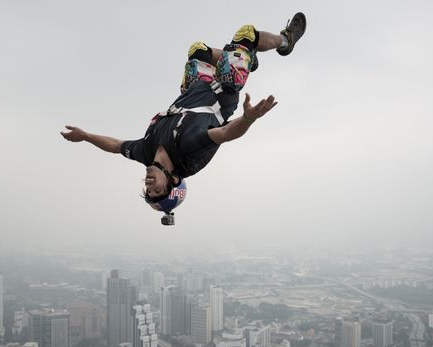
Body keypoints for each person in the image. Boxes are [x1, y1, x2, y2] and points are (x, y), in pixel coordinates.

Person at [61, 13, 307, 225]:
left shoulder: (145, 152)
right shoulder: (187, 153)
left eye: (147, 190)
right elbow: (224, 134)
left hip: (194, 89)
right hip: (224, 89)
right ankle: (285, 40)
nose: (149, 185)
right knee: (246, 34)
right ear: (173, 181)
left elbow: (115, 146)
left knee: (197, 50)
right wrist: (248, 118)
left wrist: (84, 136)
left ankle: (247, 59)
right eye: (156, 190)